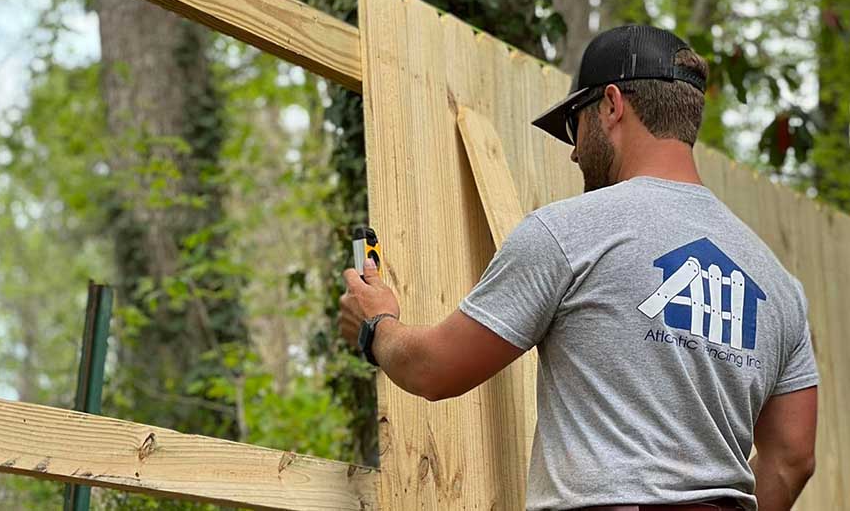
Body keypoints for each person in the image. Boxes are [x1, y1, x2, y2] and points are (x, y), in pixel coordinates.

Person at [339, 25, 818, 511]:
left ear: (612, 105)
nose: (572, 149)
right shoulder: (779, 285)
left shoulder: (570, 233)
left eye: (575, 124)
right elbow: (792, 459)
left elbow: (433, 370)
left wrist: (377, 324)